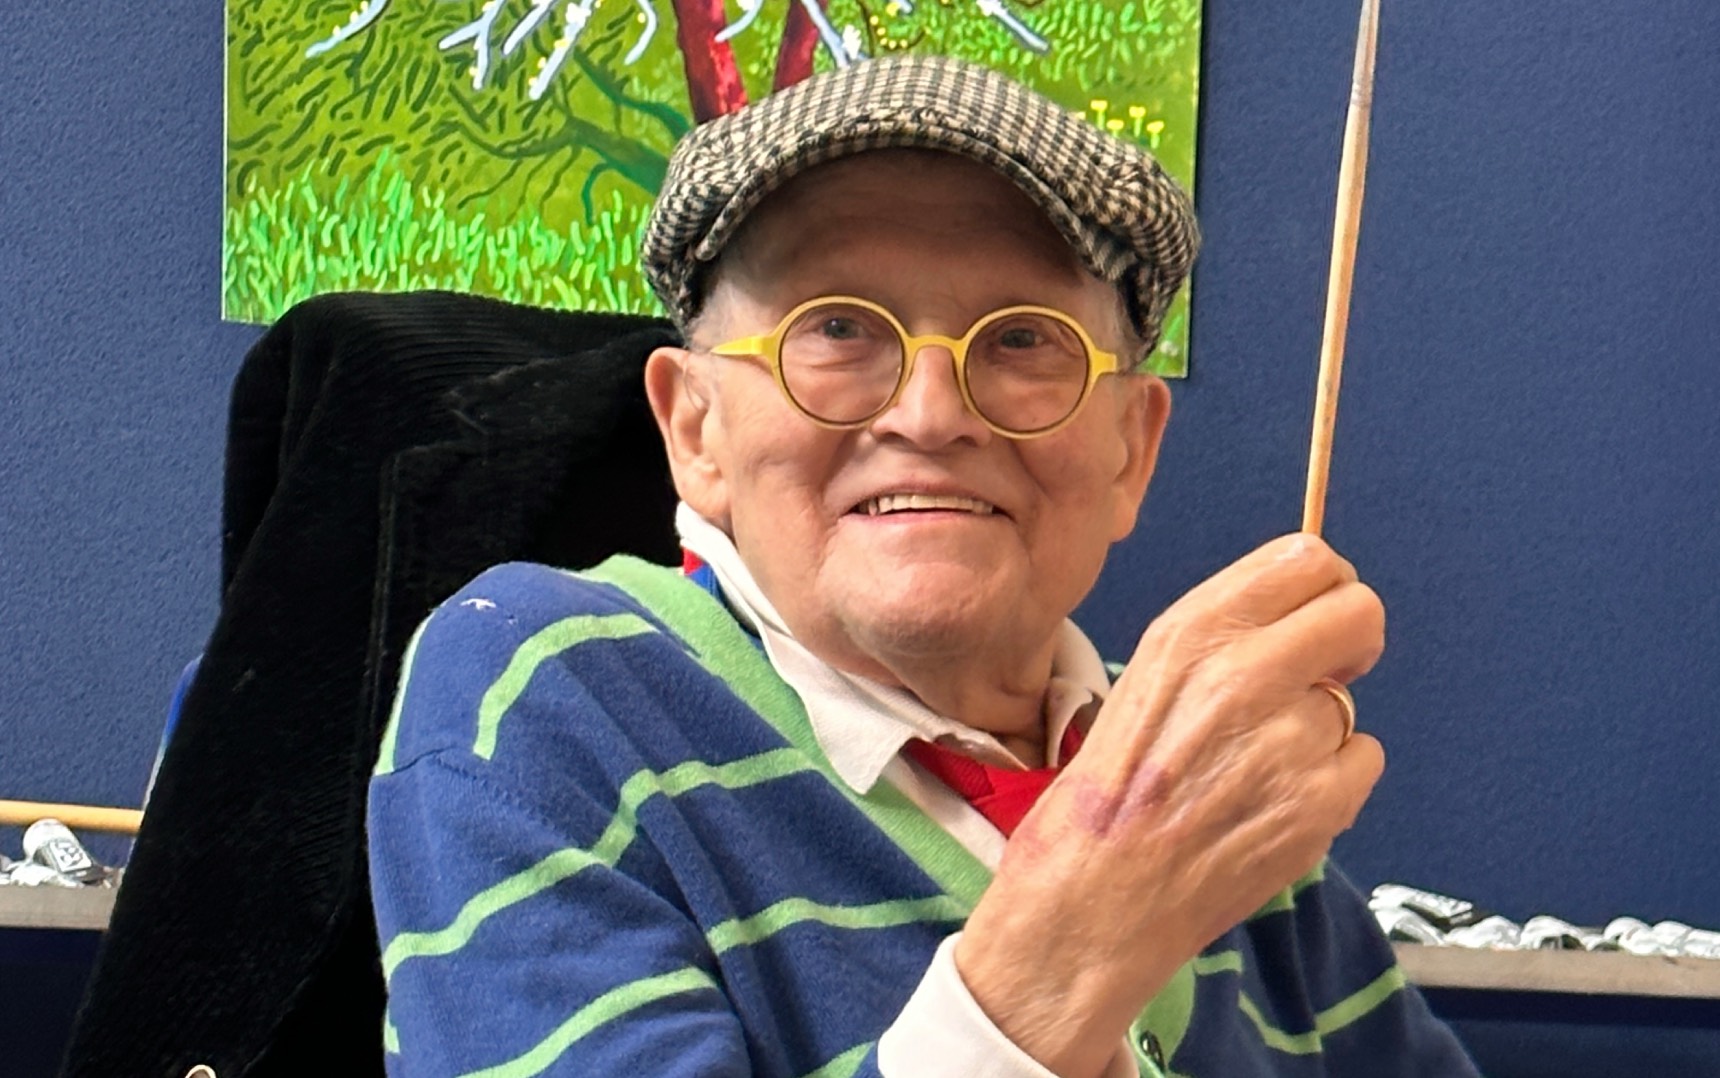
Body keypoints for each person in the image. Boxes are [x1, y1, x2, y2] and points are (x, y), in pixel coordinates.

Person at [367, 55, 1479, 1077]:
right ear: (695, 429)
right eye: (839, 328)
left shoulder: (1215, 781)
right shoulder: (545, 684)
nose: (932, 413)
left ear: (1131, 450)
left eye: (1023, 340)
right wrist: (1078, 930)